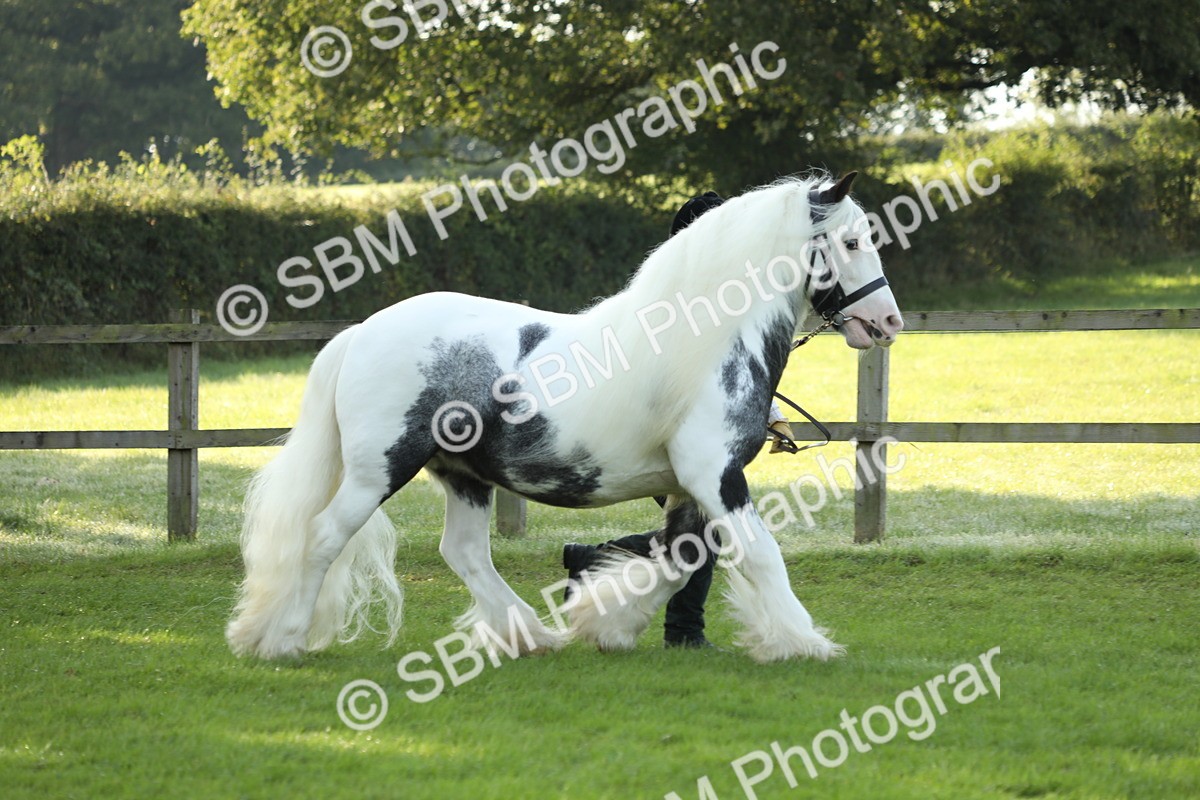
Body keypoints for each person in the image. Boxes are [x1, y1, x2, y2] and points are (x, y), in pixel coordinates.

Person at [561, 191, 796, 649]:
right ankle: (680, 629)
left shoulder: (720, 299)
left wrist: (773, 414)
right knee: (702, 534)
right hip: (662, 436)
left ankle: (603, 568)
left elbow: (731, 380)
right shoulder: (677, 302)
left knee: (695, 535)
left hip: (689, 435)